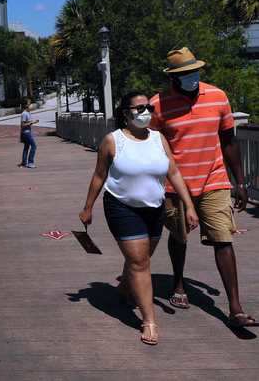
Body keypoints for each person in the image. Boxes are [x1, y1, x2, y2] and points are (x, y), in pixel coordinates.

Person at [79, 91, 198, 345]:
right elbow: (99, 176)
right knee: (140, 262)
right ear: (125, 112)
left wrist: (189, 206)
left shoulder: (159, 139)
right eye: (139, 108)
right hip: (122, 207)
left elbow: (174, 173)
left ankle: (125, 286)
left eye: (149, 108)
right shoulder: (113, 141)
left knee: (142, 257)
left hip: (154, 208)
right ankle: (149, 320)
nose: (146, 112)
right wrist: (88, 207)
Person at [150, 47, 255, 327]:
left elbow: (229, 141)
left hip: (214, 180)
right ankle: (179, 284)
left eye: (194, 71)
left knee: (223, 238)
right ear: (173, 77)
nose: (191, 77)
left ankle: (235, 308)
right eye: (184, 73)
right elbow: (150, 147)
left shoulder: (218, 96)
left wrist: (240, 182)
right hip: (175, 186)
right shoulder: (157, 105)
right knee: (179, 237)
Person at [18, 102, 39, 168]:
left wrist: (33, 122)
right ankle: (30, 162)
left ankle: (24, 162)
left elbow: (28, 123)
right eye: (30, 104)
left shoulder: (28, 113)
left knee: (26, 147)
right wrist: (31, 122)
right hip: (26, 133)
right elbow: (22, 125)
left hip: (27, 132)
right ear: (26, 106)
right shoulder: (24, 114)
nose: (31, 106)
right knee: (34, 146)